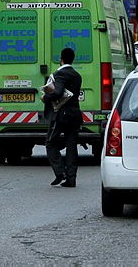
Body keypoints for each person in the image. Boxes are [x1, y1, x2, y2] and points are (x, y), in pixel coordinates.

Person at [42, 47, 83, 188]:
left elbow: (58, 92)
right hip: (75, 114)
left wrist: (46, 97)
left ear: (61, 59)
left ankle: (60, 172)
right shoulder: (77, 75)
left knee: (50, 143)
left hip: (61, 115)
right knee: (71, 146)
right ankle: (71, 179)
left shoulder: (60, 74)